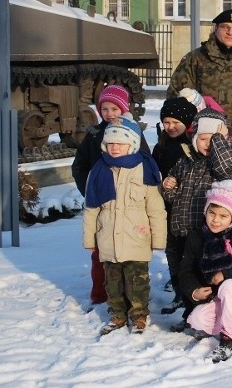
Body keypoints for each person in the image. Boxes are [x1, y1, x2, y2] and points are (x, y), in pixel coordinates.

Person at [167, 9, 232, 200]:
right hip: (199, 147)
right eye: (225, 27)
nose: (231, 32)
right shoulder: (196, 59)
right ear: (215, 29)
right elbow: (176, 98)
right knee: (197, 202)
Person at [81, 114, 166, 335]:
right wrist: (90, 238)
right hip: (108, 238)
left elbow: (156, 208)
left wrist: (158, 238)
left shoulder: (145, 168)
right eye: (110, 142)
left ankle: (138, 316)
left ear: (133, 144)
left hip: (137, 237)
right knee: (113, 282)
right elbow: (91, 208)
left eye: (120, 142)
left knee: (137, 280)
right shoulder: (99, 170)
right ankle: (117, 315)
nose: (115, 147)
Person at [72, 84, 149, 305]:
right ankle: (100, 294)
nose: (109, 114)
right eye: (104, 109)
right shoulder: (94, 135)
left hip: (129, 203)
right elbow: (79, 166)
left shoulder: (134, 132)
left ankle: (130, 294)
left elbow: (145, 162)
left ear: (124, 109)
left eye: (114, 109)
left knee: (130, 251)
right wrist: (89, 189)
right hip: (102, 201)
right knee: (100, 251)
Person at [161, 108, 232, 326]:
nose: (207, 144)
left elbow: (227, 167)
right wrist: (168, 186)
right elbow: (172, 194)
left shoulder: (218, 165)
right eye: (204, 139)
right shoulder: (185, 161)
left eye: (213, 140)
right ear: (195, 138)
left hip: (203, 233)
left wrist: (218, 143)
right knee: (182, 272)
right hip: (180, 229)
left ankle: (207, 312)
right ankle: (187, 308)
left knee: (202, 273)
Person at [178, 180, 232, 363]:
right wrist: (194, 290)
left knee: (229, 285)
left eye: (223, 216)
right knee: (197, 320)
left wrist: (227, 274)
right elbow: (186, 271)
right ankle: (226, 321)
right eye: (212, 213)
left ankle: (231, 338)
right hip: (215, 297)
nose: (216, 220)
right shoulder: (196, 237)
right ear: (206, 211)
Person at [151, 96, 198, 299]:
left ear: (187, 122)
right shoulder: (160, 147)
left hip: (190, 208)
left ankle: (192, 290)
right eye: (166, 122)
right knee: (173, 251)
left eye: (175, 123)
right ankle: (179, 290)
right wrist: (163, 184)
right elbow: (153, 174)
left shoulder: (194, 146)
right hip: (168, 208)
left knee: (191, 251)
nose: (170, 127)